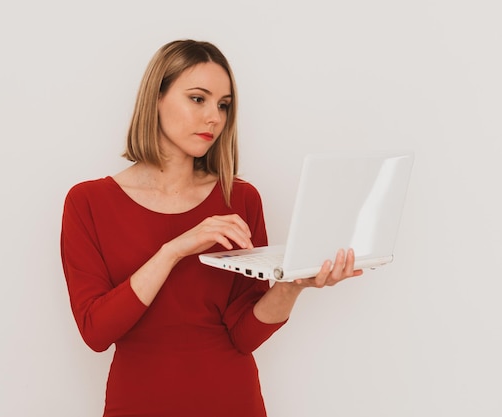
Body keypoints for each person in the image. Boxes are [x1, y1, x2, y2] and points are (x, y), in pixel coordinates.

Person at [60, 39, 363, 417]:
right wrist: (174, 249)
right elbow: (96, 331)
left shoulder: (241, 199)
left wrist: (290, 286)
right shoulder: (88, 202)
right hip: (137, 404)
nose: (214, 118)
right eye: (198, 99)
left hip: (233, 402)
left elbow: (244, 334)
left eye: (223, 105)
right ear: (156, 97)